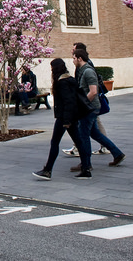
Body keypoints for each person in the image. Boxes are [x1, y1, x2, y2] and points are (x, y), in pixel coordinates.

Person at [72, 48, 125, 177]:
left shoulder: (88, 71)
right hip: (90, 108)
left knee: (83, 135)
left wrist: (82, 105)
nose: (72, 61)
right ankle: (117, 153)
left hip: (90, 108)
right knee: (95, 134)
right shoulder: (84, 71)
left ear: (79, 58)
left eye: (73, 58)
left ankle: (86, 164)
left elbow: (93, 91)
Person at [32, 58, 86, 180]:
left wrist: (66, 121)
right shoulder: (70, 80)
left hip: (64, 118)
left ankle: (48, 170)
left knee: (55, 142)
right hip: (71, 117)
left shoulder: (62, 83)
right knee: (78, 142)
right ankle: (86, 168)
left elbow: (68, 102)